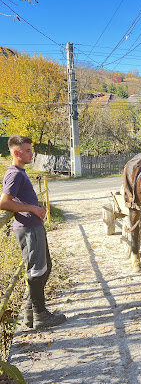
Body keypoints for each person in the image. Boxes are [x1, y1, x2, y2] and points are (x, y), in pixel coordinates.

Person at [0, 135, 66, 330]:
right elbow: (4, 202)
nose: (32, 154)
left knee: (45, 267)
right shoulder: (15, 174)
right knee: (37, 271)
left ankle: (30, 312)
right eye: (28, 150)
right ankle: (40, 315)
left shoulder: (20, 172)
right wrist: (33, 209)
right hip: (28, 228)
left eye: (31, 150)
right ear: (16, 153)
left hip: (33, 226)